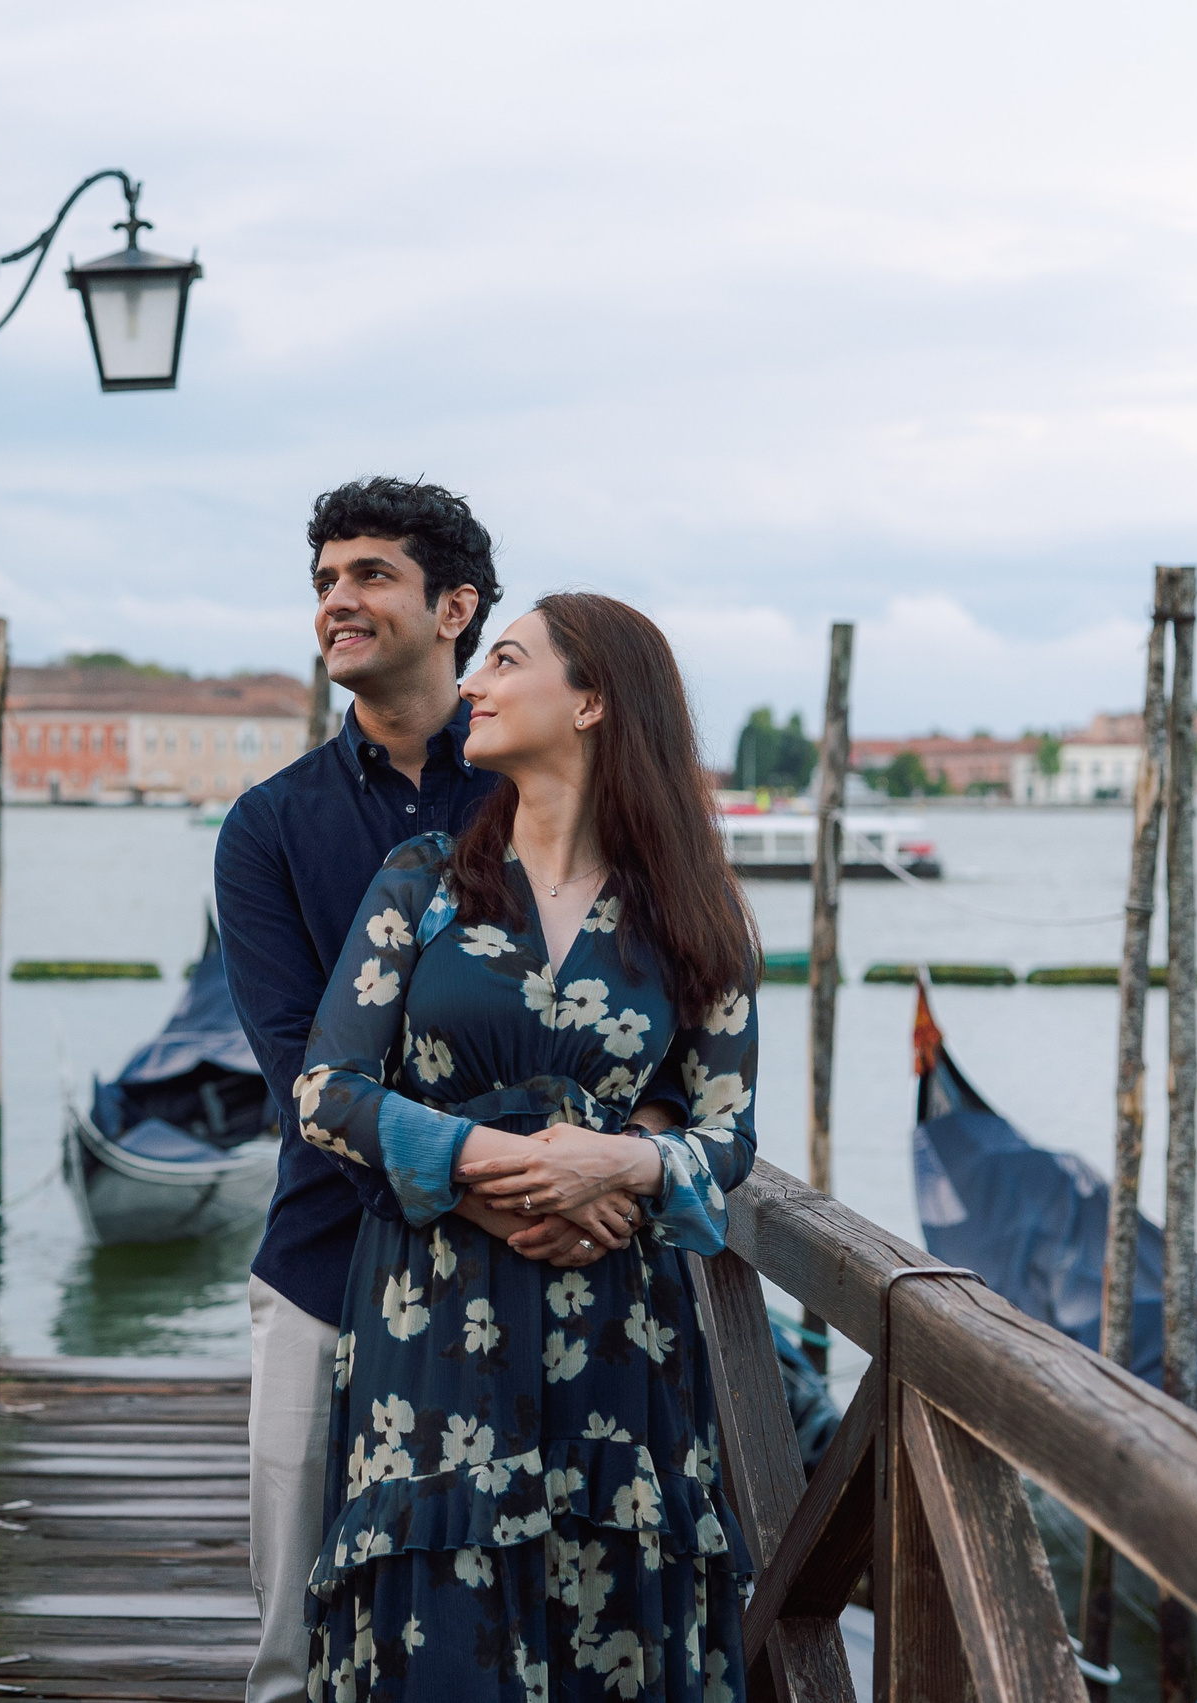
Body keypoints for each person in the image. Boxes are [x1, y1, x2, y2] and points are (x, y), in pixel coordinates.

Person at [291, 592, 761, 1703]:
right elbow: (327, 1092)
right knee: (438, 1637)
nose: (471, 683)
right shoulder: (422, 880)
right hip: (433, 1323)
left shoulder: (695, 910)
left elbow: (728, 1133)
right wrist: (495, 1165)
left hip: (619, 1333)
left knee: (613, 1622)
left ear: (591, 701)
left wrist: (620, 1164)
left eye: (504, 660)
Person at [216, 477, 510, 1703]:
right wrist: (492, 1175)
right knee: (291, 1637)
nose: (336, 599)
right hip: (326, 1252)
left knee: (493, 1609)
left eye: (369, 574)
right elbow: (300, 1068)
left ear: (455, 608)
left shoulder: (538, 794)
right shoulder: (267, 825)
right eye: (324, 580)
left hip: (515, 1269)